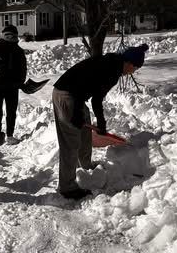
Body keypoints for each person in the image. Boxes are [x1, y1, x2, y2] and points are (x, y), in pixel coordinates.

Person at [51, 44, 148, 200]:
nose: (133, 72)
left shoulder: (113, 67)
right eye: (135, 68)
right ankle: (67, 187)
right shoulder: (109, 68)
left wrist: (101, 123)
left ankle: (86, 164)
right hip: (67, 94)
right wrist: (75, 113)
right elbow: (81, 85)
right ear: (130, 63)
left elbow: (97, 98)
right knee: (70, 141)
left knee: (85, 122)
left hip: (74, 95)